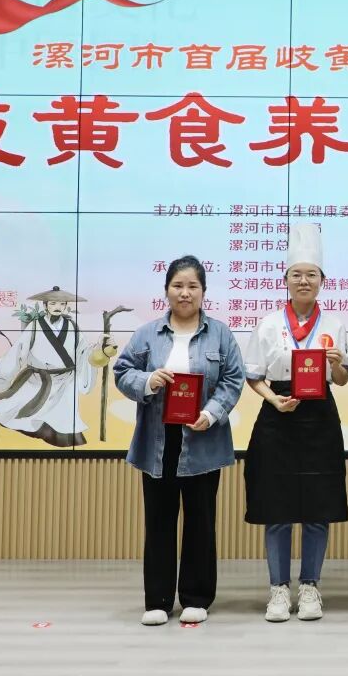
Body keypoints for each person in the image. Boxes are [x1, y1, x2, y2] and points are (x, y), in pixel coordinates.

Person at [113, 256, 245, 626]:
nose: (185, 293)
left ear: (203, 292)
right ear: (167, 290)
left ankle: (196, 598)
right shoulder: (147, 334)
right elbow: (122, 371)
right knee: (159, 520)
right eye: (178, 286)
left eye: (192, 286)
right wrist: (147, 381)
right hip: (158, 439)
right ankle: (157, 600)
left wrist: (212, 413)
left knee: (201, 521)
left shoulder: (220, 334)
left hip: (203, 437)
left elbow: (233, 379)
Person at [242, 223, 348, 623]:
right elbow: (253, 375)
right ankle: (278, 588)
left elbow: (341, 379)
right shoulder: (269, 323)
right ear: (286, 280)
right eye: (296, 274)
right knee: (277, 506)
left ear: (322, 280)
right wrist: (274, 399)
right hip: (278, 415)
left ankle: (310, 586)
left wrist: (337, 365)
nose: (304, 281)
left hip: (320, 417)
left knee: (317, 507)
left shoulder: (334, 325)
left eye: (311, 274)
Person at [0, 286, 115, 447]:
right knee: (22, 411)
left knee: (64, 415)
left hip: (66, 381)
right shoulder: (35, 325)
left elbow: (83, 352)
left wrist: (99, 349)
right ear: (45, 306)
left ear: (65, 306)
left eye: (61, 304)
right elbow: (19, 350)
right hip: (38, 378)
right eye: (53, 303)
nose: (57, 307)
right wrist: (4, 371)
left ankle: (65, 438)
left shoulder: (72, 327)